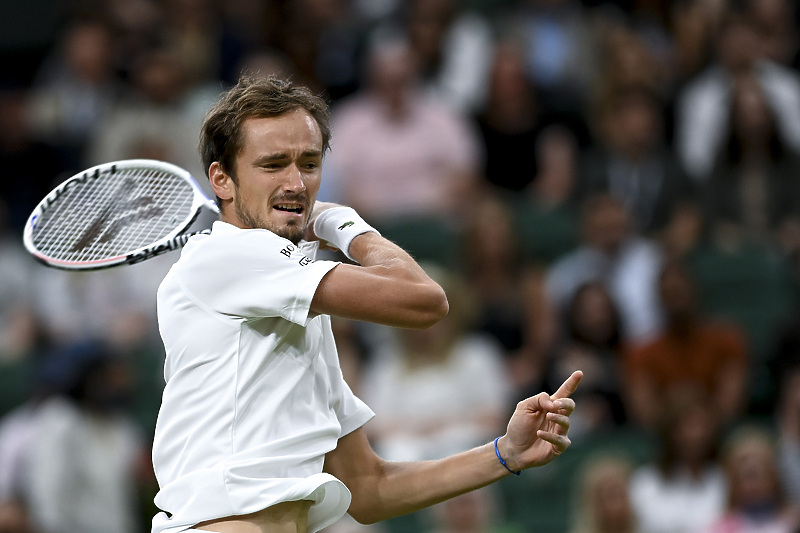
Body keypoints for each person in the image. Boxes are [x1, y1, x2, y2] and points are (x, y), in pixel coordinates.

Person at [150, 75, 582, 533]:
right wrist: (344, 224)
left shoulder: (298, 308)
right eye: (274, 164)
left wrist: (504, 454)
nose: (296, 183)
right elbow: (423, 300)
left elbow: (369, 488)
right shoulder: (229, 254)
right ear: (222, 180)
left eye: (310, 163)